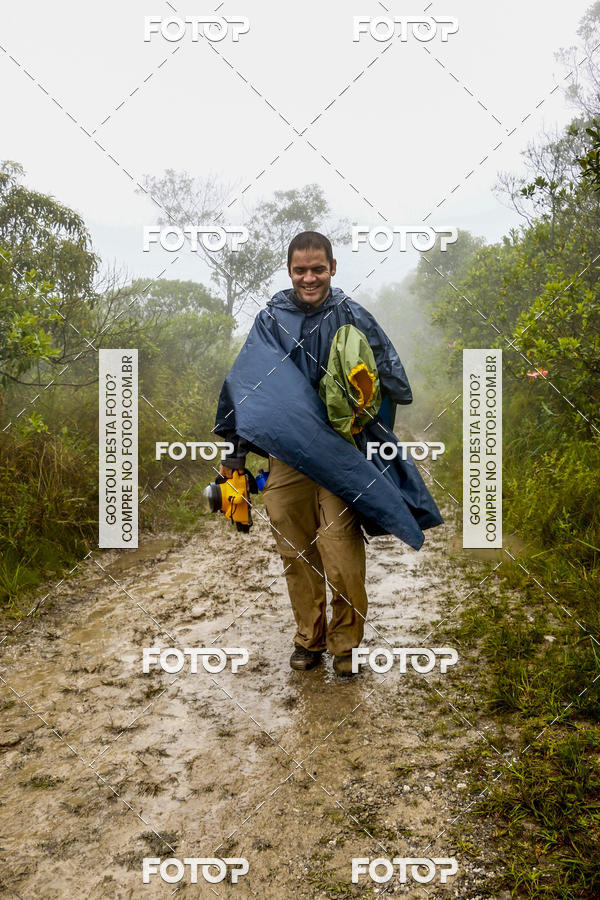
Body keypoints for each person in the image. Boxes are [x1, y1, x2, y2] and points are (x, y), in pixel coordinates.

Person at [214, 231, 442, 676]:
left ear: (333, 268)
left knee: (341, 555)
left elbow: (391, 382)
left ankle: (346, 646)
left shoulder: (352, 317)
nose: (309, 277)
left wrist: (368, 421)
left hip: (341, 458)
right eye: (300, 270)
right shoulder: (269, 321)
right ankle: (309, 638)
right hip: (287, 461)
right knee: (295, 553)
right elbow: (250, 390)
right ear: (289, 271)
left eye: (318, 268)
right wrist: (235, 457)